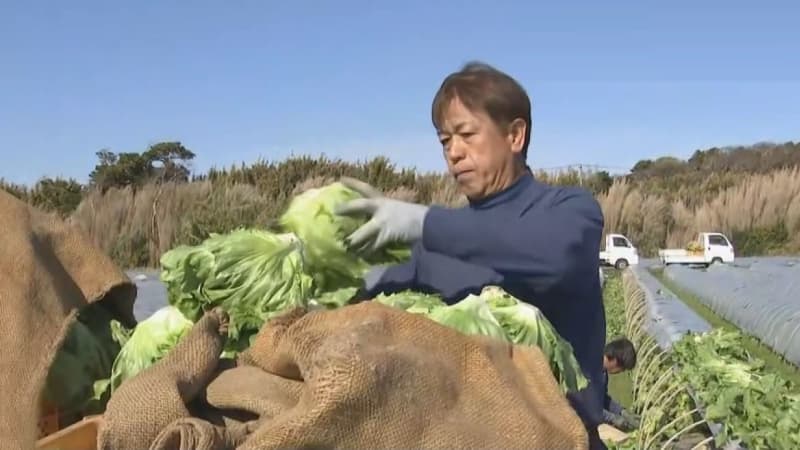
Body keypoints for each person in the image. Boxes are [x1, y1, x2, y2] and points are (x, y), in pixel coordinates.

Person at [335, 61, 608, 449]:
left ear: (515, 135)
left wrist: (421, 222)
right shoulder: (432, 243)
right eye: (444, 141)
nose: (454, 153)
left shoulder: (568, 211)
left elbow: (551, 255)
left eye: (466, 134)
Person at [602, 337, 641, 431]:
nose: (620, 372)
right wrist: (612, 418)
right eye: (622, 369)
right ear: (615, 360)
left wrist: (621, 411)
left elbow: (602, 398)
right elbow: (587, 406)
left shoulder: (603, 373)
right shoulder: (589, 370)